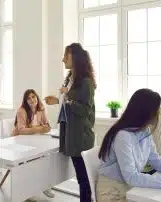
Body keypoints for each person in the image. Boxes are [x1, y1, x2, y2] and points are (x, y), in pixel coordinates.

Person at [97, 89, 161, 202]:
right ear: (145, 112)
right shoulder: (123, 136)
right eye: (156, 110)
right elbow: (131, 177)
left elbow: (154, 158)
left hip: (131, 188)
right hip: (113, 191)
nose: (159, 113)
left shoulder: (145, 131)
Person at [45, 43, 96, 202]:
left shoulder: (86, 82)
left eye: (66, 56)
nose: (62, 59)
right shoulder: (70, 78)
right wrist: (57, 100)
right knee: (82, 177)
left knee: (83, 179)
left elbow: (85, 110)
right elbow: (67, 101)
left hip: (80, 137)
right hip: (70, 134)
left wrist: (67, 98)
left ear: (75, 57)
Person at [12, 89, 54, 199]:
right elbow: (21, 130)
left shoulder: (41, 109)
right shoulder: (22, 111)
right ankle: (28, 191)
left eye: (33, 97)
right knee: (31, 161)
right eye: (29, 98)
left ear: (37, 97)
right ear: (25, 101)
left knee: (45, 157)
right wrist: (39, 129)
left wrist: (33, 128)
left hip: (34, 140)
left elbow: (48, 127)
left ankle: (44, 185)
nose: (32, 100)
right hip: (20, 142)